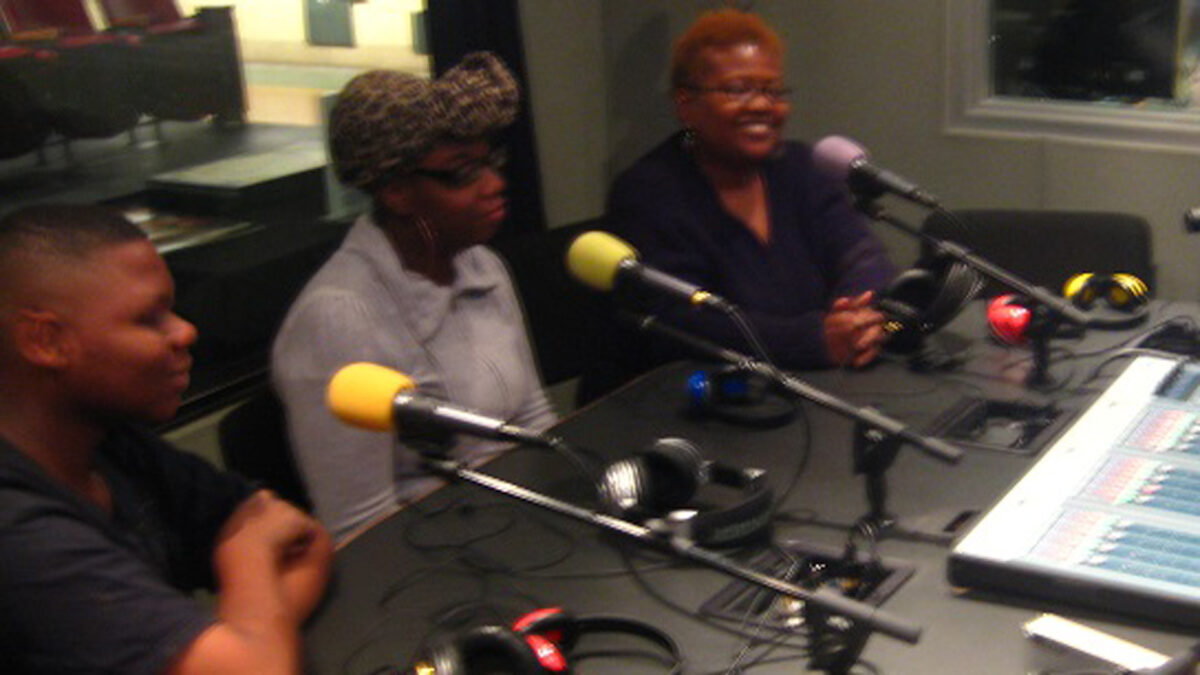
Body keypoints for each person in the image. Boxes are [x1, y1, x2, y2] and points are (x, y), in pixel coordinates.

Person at [0, 204, 332, 674]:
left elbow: (304, 540)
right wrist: (250, 555)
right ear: (45, 341)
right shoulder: (17, 532)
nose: (185, 331)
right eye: (148, 319)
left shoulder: (110, 442)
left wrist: (252, 642)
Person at [273, 52, 557, 542]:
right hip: (435, 562)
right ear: (397, 192)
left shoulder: (481, 265)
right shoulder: (338, 317)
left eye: (491, 162)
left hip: (522, 528)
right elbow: (362, 530)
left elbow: (534, 419)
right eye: (462, 172)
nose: (495, 185)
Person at [584, 9, 897, 400]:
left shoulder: (800, 168)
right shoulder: (648, 194)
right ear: (685, 105)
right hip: (683, 406)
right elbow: (688, 328)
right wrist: (815, 340)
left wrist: (853, 321)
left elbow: (864, 256)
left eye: (772, 90)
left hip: (800, 390)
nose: (762, 105)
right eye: (738, 90)